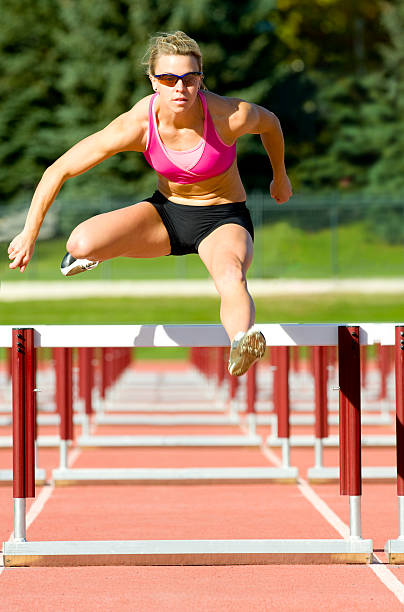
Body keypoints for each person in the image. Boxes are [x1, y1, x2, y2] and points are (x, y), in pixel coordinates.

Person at [8, 31, 292, 376]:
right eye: (169, 79)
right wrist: (28, 233)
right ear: (153, 82)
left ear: (200, 80)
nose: (180, 89)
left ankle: (241, 341)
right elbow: (60, 169)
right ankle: (95, 254)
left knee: (231, 275)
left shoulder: (228, 115)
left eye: (189, 79)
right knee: (80, 243)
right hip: (167, 214)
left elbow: (271, 123)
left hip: (222, 218)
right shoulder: (139, 124)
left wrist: (280, 176)